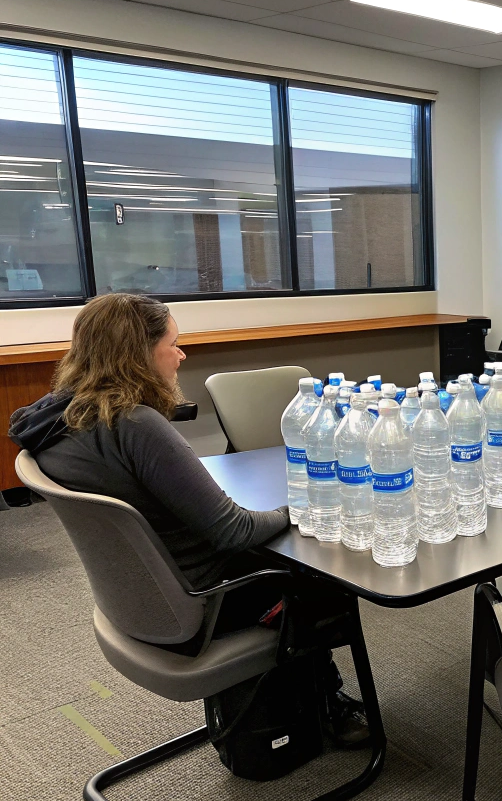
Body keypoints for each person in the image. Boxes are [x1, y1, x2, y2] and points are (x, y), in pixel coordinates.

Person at [8, 293, 366, 743]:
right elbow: (234, 530)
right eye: (172, 343)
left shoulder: (58, 419)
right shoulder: (135, 425)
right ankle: (326, 707)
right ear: (137, 353)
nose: (181, 354)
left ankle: (304, 701)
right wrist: (299, 509)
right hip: (205, 600)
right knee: (321, 572)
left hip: (140, 598)